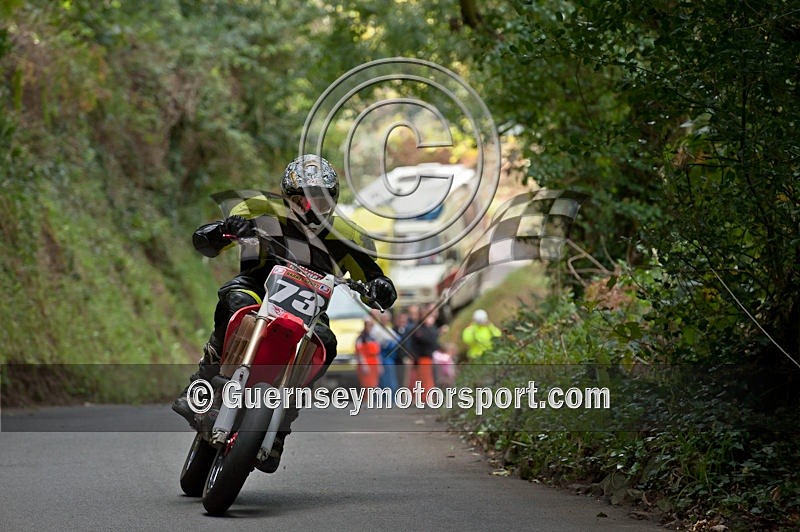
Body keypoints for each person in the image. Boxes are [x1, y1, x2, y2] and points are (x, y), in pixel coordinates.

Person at [172, 154, 397, 472]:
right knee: (234, 300)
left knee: (325, 342)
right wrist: (227, 229)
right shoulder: (260, 211)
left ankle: (279, 427)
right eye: (299, 199)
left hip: (309, 310)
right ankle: (203, 383)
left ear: (332, 201)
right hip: (258, 289)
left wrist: (380, 286)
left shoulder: (345, 233)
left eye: (317, 200)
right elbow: (204, 242)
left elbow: (373, 274)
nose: (308, 208)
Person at [355, 318, 382, 388]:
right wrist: (364, 365)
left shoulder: (373, 337)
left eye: (371, 326)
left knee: (374, 385)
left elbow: (377, 354)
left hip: (374, 363)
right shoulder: (361, 338)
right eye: (368, 325)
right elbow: (360, 353)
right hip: (366, 363)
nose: (370, 327)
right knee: (367, 385)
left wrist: (379, 365)